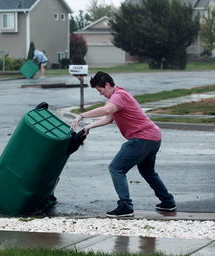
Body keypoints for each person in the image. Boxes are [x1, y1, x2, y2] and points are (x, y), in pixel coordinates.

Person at [71, 71, 176, 217]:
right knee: (148, 172)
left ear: (107, 85)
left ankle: (126, 206)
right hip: (153, 137)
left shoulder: (118, 96)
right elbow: (109, 118)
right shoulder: (119, 95)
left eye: (100, 90)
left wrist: (82, 115)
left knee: (116, 168)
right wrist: (88, 126)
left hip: (142, 138)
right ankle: (168, 202)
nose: (100, 94)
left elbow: (107, 110)